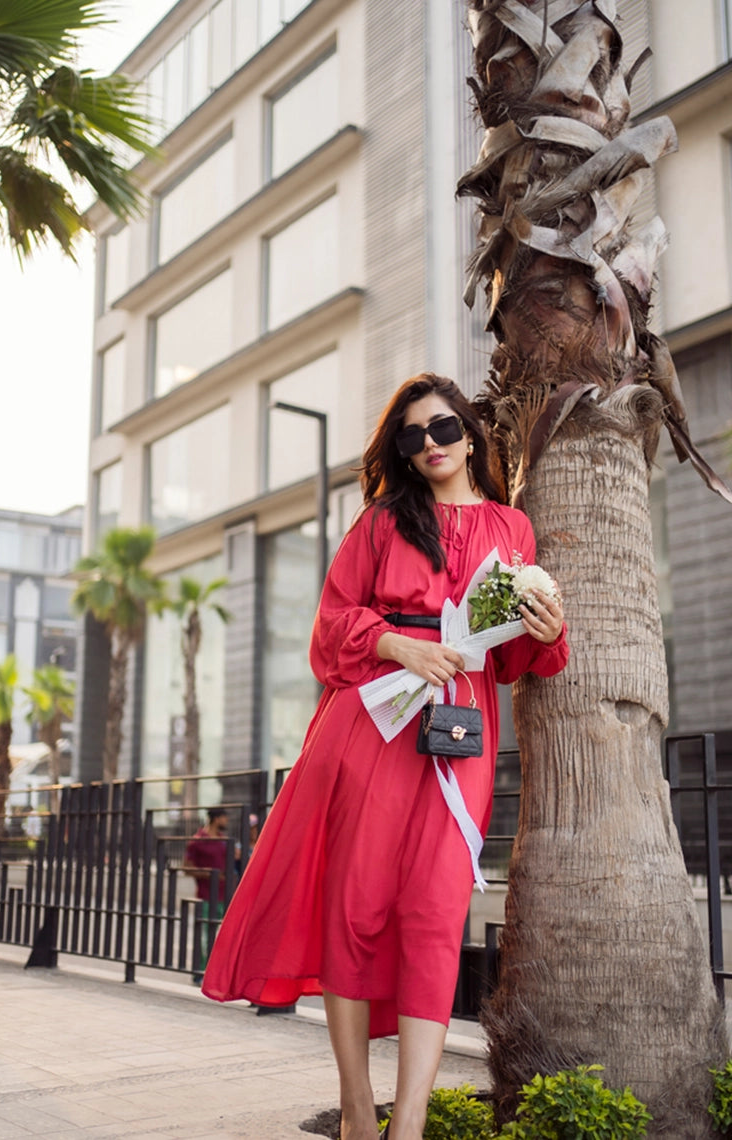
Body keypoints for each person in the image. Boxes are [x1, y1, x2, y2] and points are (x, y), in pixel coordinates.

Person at [202, 374, 568, 1140]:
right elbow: (330, 626)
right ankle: (358, 1111)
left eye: (441, 430)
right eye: (411, 437)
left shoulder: (511, 529)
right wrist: (396, 641)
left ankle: (408, 1125)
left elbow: (510, 663)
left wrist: (547, 628)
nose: (428, 445)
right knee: (357, 908)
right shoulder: (379, 523)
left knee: (435, 913)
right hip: (369, 723)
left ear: (470, 435)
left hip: (458, 731)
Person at [183, 806, 229, 981]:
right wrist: (209, 873)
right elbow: (187, 867)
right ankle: (201, 972)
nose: (227, 821)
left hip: (225, 894)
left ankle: (218, 972)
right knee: (205, 935)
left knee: (223, 935)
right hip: (206, 893)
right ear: (216, 819)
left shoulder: (224, 840)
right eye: (225, 818)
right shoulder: (197, 840)